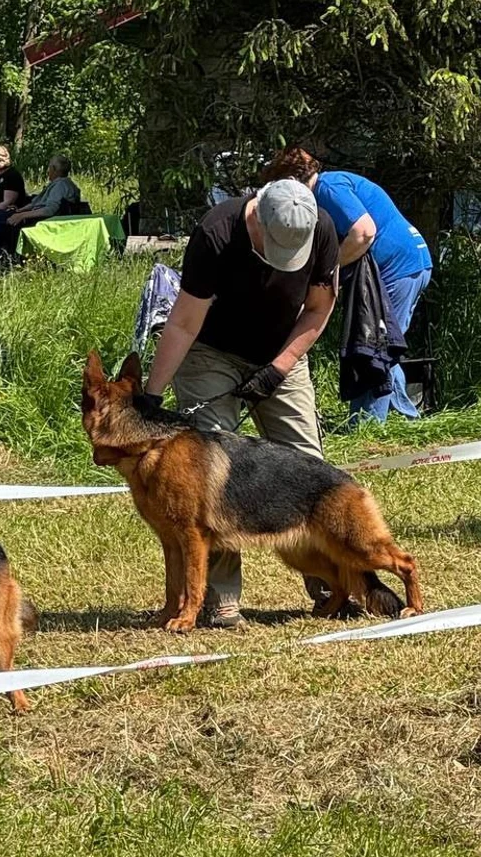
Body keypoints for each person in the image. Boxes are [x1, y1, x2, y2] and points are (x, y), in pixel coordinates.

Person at [141, 178, 340, 628]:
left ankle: (334, 584)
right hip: (210, 352)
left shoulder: (321, 229)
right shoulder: (216, 232)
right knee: (209, 475)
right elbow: (183, 323)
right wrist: (152, 395)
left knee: (309, 464)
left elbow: (317, 310)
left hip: (282, 349)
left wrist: (279, 369)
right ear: (258, 220)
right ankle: (220, 598)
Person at [262, 147, 432, 422]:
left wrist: (329, 269)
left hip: (398, 268)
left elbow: (363, 232)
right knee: (387, 345)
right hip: (412, 264)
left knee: (375, 346)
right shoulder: (330, 186)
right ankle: (405, 416)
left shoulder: (328, 188)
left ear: (292, 180)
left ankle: (367, 423)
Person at [0, 153, 81, 262]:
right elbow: (35, 203)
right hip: (34, 216)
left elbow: (50, 210)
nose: (47, 171)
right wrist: (19, 211)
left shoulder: (61, 186)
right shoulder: (57, 184)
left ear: (53, 169)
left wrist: (21, 215)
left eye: (49, 167)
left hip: (40, 221)